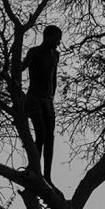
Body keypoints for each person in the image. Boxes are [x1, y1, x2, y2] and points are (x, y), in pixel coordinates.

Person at [22, 25, 62, 178]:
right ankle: (33, 169)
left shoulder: (55, 55)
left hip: (48, 100)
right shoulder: (34, 52)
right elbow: (23, 66)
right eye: (57, 39)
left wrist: (52, 96)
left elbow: (54, 78)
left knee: (50, 137)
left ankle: (47, 176)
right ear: (48, 37)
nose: (58, 42)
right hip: (34, 98)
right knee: (41, 134)